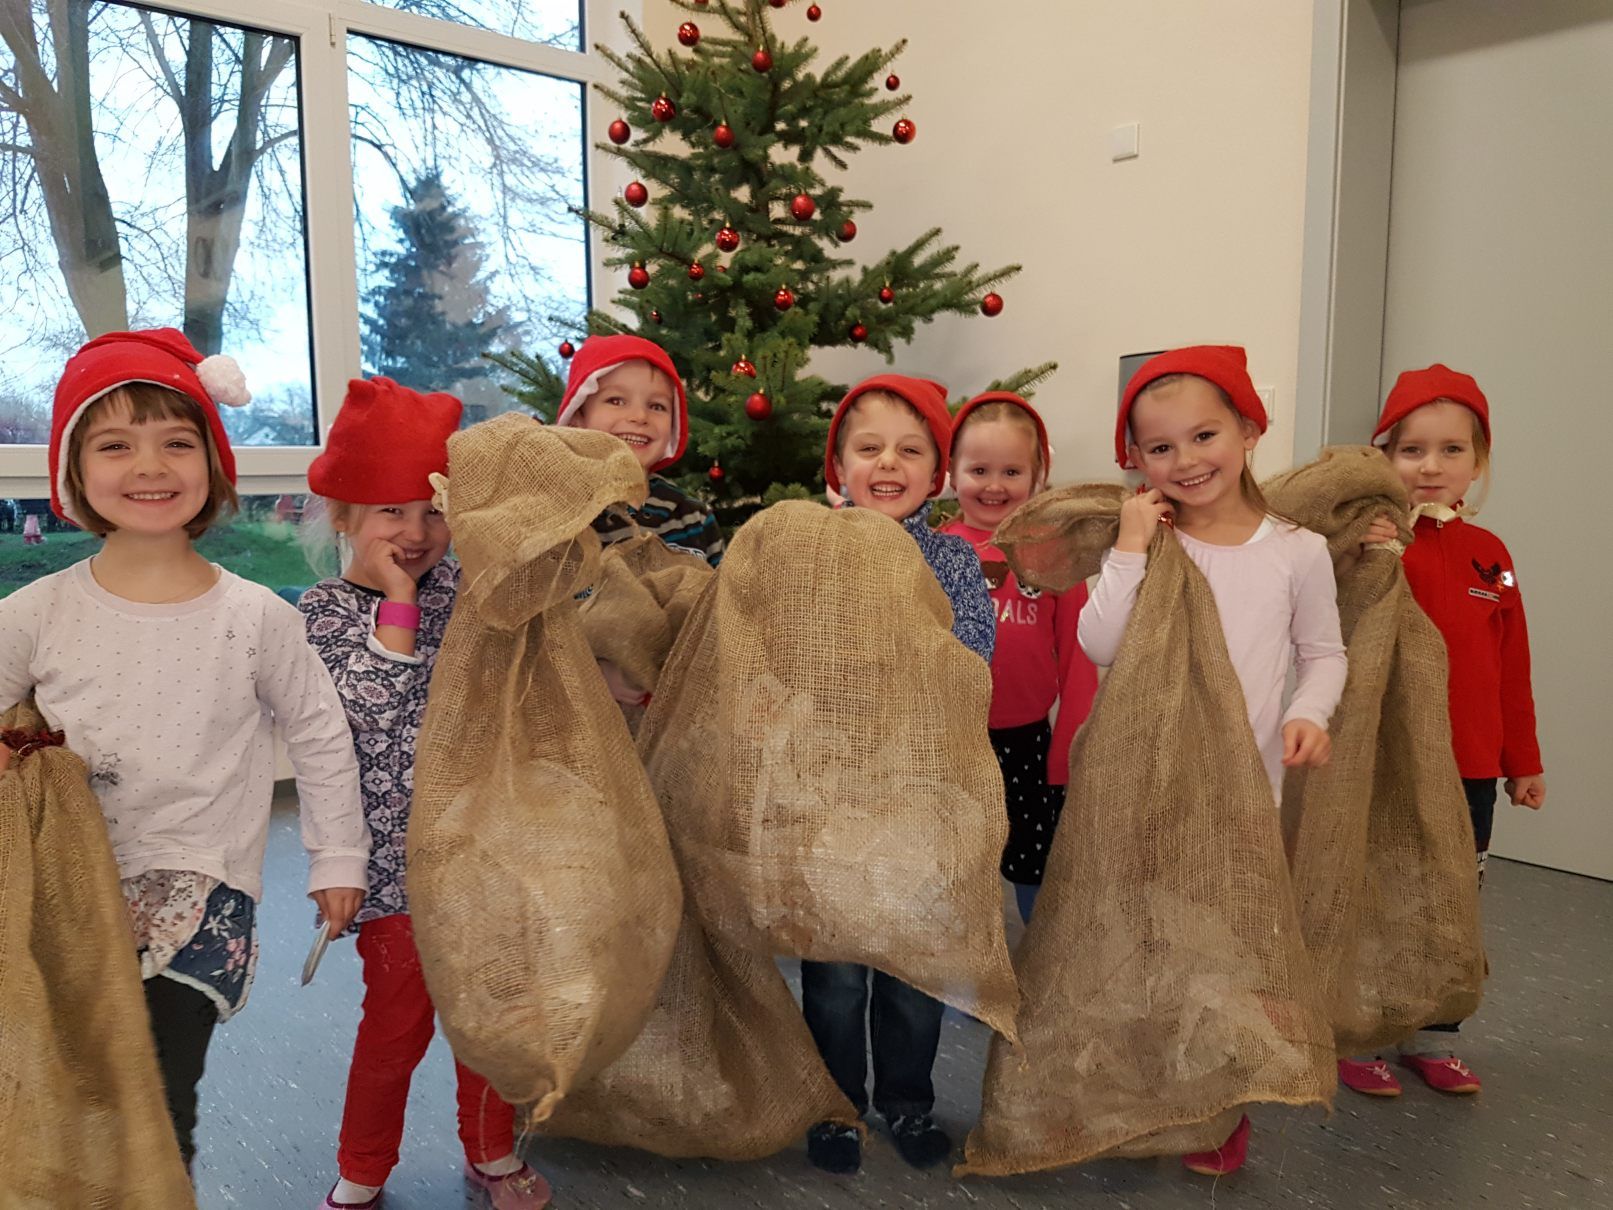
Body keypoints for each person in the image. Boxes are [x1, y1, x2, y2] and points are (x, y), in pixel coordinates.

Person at [0, 328, 369, 1174]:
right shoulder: (35, 613)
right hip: (67, 891)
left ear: (212, 463)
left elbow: (319, 732)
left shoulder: (258, 618)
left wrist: (336, 857)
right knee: (77, 1092)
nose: (149, 466)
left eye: (176, 442)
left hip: (205, 892)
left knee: (161, 1103)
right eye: (114, 445)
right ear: (73, 470)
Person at [1079, 344, 1347, 1176]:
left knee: (1227, 952)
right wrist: (1128, 548)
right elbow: (1100, 644)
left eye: (1204, 436)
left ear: (1248, 431)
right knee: (1144, 941)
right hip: (1143, 780)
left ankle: (1215, 1104)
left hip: (1243, 791)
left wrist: (1307, 713)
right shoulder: (1148, 542)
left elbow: (1323, 653)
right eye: (1161, 447)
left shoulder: (1295, 550)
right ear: (1136, 459)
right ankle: (1144, 1093)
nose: (1186, 460)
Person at [300, 377, 551, 1209]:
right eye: (391, 512)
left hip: (482, 852)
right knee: (395, 1028)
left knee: (489, 1020)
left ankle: (491, 1151)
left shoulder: (467, 595)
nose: (414, 533)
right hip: (390, 870)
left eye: (433, 513)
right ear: (344, 517)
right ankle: (364, 1166)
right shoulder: (323, 613)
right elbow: (368, 708)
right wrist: (400, 602)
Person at [800, 374, 995, 1175]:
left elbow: (973, 656)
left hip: (924, 794)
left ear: (937, 473)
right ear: (837, 467)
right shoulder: (810, 550)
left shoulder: (951, 559)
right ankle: (834, 1105)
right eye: (869, 447)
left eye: (910, 450)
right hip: (829, 799)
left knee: (913, 971)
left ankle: (908, 1101)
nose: (888, 463)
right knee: (836, 974)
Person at [1337, 363, 1545, 1099]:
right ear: (1383, 458)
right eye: (1411, 450)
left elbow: (1510, 663)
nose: (1430, 466)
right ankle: (1359, 1030)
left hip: (1470, 763)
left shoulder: (1493, 554)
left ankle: (1435, 1032)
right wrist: (1362, 551)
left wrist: (1523, 760)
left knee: (1448, 899)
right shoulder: (1367, 544)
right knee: (1376, 891)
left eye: (1451, 450)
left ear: (1477, 462)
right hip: (1386, 758)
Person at [941, 392, 1098, 922]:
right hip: (950, 738)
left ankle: (1041, 955)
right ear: (952, 472)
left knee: (1034, 861)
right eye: (979, 470)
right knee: (955, 863)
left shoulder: (1053, 555)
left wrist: (1070, 748)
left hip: (1027, 740)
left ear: (1037, 476)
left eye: (1011, 471)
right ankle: (962, 960)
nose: (994, 485)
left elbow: (1078, 654)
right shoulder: (935, 552)